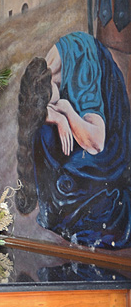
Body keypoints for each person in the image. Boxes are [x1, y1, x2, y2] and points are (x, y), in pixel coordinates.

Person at [16, 31, 131, 249]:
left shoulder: (81, 64)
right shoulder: (44, 74)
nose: (52, 107)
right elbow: (37, 112)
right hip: (89, 134)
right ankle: (65, 198)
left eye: (50, 104)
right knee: (42, 132)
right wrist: (55, 117)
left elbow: (97, 143)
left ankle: (75, 199)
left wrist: (66, 111)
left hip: (110, 144)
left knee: (46, 134)